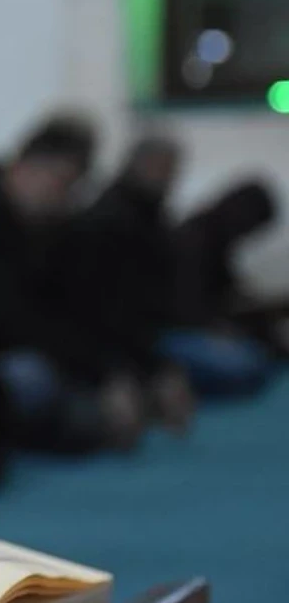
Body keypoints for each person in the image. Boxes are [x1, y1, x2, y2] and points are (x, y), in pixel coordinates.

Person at [0, 115, 144, 452]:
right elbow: (9, 316)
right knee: (38, 383)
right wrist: (98, 373)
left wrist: (110, 372)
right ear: (25, 168)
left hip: (21, 356)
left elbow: (77, 308)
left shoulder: (50, 225)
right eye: (62, 184)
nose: (65, 198)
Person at [56, 131, 194, 429]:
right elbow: (101, 310)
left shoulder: (152, 217)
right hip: (118, 342)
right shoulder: (108, 223)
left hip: (142, 336)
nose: (169, 177)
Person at [163, 179, 283, 395]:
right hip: (176, 331)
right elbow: (188, 309)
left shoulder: (212, 237)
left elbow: (229, 291)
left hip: (196, 324)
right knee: (249, 364)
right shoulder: (194, 241)